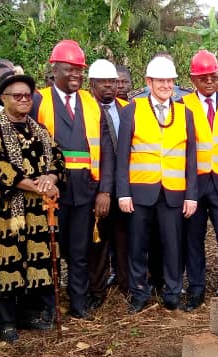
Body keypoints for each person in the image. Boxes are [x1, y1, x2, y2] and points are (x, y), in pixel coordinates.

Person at [0, 72, 64, 342]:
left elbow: (57, 158)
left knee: (37, 260)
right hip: (9, 210)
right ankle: (5, 322)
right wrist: (35, 185)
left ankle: (29, 314)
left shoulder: (39, 130)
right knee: (10, 262)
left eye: (28, 95)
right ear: (3, 99)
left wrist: (50, 178)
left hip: (40, 210)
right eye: (18, 96)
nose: (25, 100)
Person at [31, 40, 107, 320]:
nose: (76, 74)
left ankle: (78, 303)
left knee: (79, 250)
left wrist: (104, 190)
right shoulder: (39, 100)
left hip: (85, 189)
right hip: (51, 192)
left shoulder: (90, 102)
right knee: (48, 250)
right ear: (55, 69)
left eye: (79, 70)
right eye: (69, 69)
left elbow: (106, 148)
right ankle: (49, 306)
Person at [116, 56, 198, 312]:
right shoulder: (132, 109)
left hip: (174, 192)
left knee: (173, 245)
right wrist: (123, 193)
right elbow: (123, 155)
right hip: (140, 191)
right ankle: (139, 292)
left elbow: (191, 158)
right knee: (137, 245)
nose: (165, 85)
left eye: (169, 80)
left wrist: (191, 195)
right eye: (160, 80)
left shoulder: (185, 113)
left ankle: (172, 292)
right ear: (149, 82)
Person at [181, 50, 218, 308]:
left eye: (213, 76)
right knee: (193, 239)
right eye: (203, 77)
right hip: (195, 183)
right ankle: (196, 288)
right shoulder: (183, 105)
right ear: (193, 79)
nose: (209, 81)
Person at [88, 59, 131, 294]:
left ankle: (126, 284)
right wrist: (102, 189)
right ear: (92, 84)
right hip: (97, 187)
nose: (108, 86)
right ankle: (97, 289)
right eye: (102, 82)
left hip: (124, 186)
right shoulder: (87, 109)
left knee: (124, 238)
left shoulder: (127, 109)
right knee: (98, 241)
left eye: (112, 82)